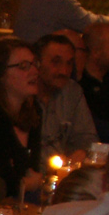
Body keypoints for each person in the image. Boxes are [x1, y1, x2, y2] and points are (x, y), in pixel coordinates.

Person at [0, 36, 45, 201]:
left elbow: (32, 170)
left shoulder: (34, 112)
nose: (34, 72)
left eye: (35, 64)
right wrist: (27, 184)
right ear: (0, 74)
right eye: (23, 66)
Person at [33, 31, 97, 159]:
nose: (64, 71)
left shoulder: (72, 91)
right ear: (37, 63)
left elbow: (87, 138)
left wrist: (82, 152)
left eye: (69, 63)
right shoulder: (23, 91)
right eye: (56, 62)